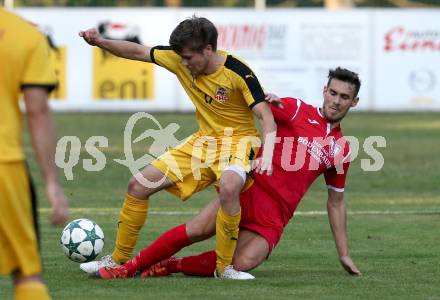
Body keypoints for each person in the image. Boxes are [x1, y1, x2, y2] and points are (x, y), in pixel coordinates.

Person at [97, 67, 362, 280]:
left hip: (275, 216)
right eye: (333, 93)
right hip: (247, 191)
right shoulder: (294, 109)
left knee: (243, 262)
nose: (336, 101)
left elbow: (336, 202)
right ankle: (128, 268)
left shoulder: (341, 149)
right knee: (197, 230)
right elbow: (255, 110)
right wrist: (263, 99)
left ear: (354, 102)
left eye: (344, 97)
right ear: (324, 91)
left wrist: (344, 254)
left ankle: (172, 266)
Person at [78, 16, 277, 279]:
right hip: (203, 143)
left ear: (208, 50)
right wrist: (100, 42)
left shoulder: (238, 72)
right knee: (138, 186)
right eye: (180, 57)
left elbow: (267, 117)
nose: (182, 63)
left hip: (239, 143)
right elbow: (138, 51)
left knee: (229, 187)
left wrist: (269, 155)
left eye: (188, 57)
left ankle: (225, 268)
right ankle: (117, 259)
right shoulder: (180, 58)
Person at [0, 8, 70, 300]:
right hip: (5, 166)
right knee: (26, 274)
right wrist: (52, 184)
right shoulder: (25, 35)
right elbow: (38, 112)